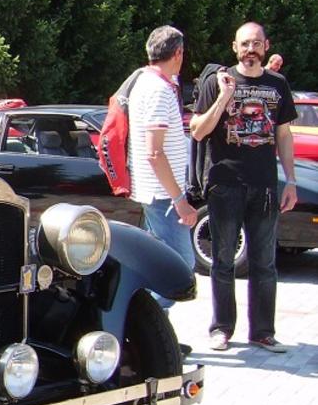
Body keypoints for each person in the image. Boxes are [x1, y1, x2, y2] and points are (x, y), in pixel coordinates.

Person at [190, 22, 297, 353]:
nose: (251, 49)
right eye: (245, 43)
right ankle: (221, 328)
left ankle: (263, 332)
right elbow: (197, 130)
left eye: (256, 43)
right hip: (225, 185)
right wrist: (224, 97)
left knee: (265, 263)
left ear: (266, 46)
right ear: (234, 47)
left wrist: (291, 181)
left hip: (264, 186)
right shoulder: (218, 82)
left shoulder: (277, 84)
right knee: (223, 261)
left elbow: (284, 135)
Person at [126, 27, 197, 309]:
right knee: (178, 270)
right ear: (178, 53)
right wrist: (180, 200)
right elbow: (154, 153)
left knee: (157, 267)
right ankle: (144, 325)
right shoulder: (158, 90)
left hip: (155, 193)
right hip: (163, 197)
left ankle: (150, 327)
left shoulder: (146, 82)